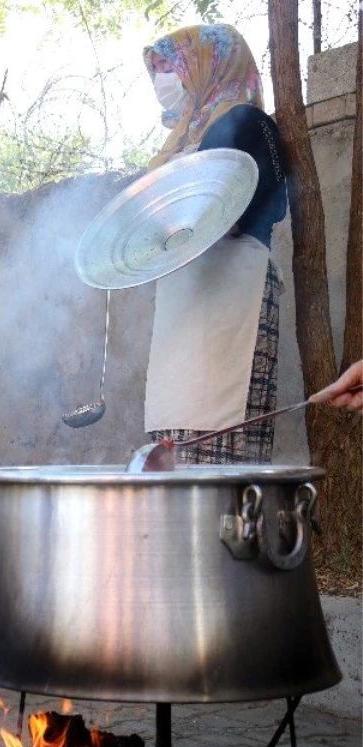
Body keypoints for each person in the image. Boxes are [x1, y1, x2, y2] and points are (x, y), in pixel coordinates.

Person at [141, 24, 288, 464]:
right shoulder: (183, 139)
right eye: (156, 69)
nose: (162, 78)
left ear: (207, 62)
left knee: (223, 436)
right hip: (182, 298)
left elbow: (261, 204)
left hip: (232, 295)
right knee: (173, 433)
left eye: (170, 64)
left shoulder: (248, 123)